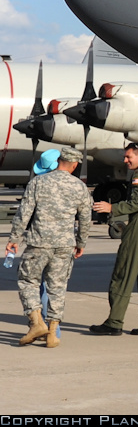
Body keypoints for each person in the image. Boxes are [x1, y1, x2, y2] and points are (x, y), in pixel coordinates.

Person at [6, 147, 91, 348]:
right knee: (57, 287)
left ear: (59, 160)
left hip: (39, 242)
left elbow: (24, 213)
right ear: (74, 164)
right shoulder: (79, 187)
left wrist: (14, 239)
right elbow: (86, 219)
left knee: (28, 280)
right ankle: (52, 333)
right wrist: (81, 243)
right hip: (64, 244)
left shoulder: (38, 182)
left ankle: (36, 323)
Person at [90, 142, 138, 336]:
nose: (125, 161)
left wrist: (113, 208)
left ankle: (114, 322)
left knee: (123, 274)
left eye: (128, 157)